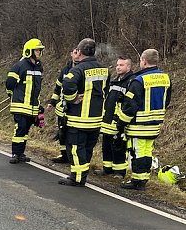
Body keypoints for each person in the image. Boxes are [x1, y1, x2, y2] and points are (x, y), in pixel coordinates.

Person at [116, 48, 172, 189]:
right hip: (155, 123)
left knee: (138, 152)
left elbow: (130, 106)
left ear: (144, 61)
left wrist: (121, 123)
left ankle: (137, 181)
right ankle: (144, 178)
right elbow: (167, 100)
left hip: (138, 124)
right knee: (147, 152)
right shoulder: (165, 78)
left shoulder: (139, 80)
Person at [58, 38, 108, 186]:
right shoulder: (104, 70)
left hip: (79, 119)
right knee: (87, 148)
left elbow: (67, 84)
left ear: (79, 52)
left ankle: (77, 178)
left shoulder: (78, 69)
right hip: (96, 118)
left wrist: (72, 98)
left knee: (76, 148)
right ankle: (82, 175)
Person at [5, 39, 45, 163]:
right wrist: (13, 95)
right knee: (20, 129)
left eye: (39, 50)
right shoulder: (20, 66)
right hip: (20, 105)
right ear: (29, 51)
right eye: (36, 50)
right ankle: (15, 154)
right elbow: (9, 83)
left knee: (26, 131)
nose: (38, 52)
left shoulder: (39, 67)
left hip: (32, 106)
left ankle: (21, 153)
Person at [96, 56, 134, 177]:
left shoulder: (131, 82)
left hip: (120, 120)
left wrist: (122, 120)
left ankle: (119, 172)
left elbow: (129, 104)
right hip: (108, 119)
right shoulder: (114, 80)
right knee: (106, 145)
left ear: (129, 66)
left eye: (121, 65)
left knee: (118, 146)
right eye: (117, 65)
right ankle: (107, 169)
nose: (118, 67)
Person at [46, 46, 77, 163]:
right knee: (62, 133)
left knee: (72, 134)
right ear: (71, 54)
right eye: (74, 52)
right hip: (61, 109)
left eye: (78, 52)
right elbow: (58, 87)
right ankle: (64, 155)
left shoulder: (81, 69)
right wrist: (52, 102)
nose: (76, 54)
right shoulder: (65, 69)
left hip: (74, 109)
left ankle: (72, 156)